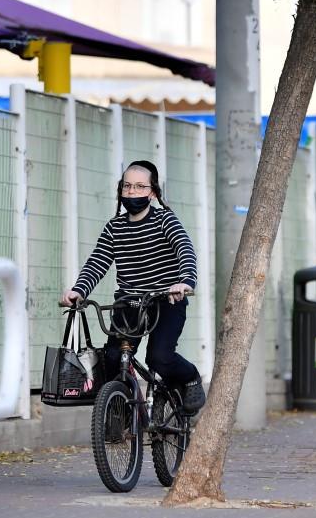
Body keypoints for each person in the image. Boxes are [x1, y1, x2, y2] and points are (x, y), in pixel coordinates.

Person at [59, 160, 206, 414]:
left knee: (159, 357)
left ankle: (191, 377)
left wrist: (184, 282)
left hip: (165, 300)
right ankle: (124, 414)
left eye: (139, 187)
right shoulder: (114, 228)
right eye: (127, 186)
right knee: (113, 359)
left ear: (152, 192)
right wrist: (79, 290)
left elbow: (185, 249)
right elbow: (98, 262)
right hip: (129, 303)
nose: (132, 192)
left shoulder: (164, 220)